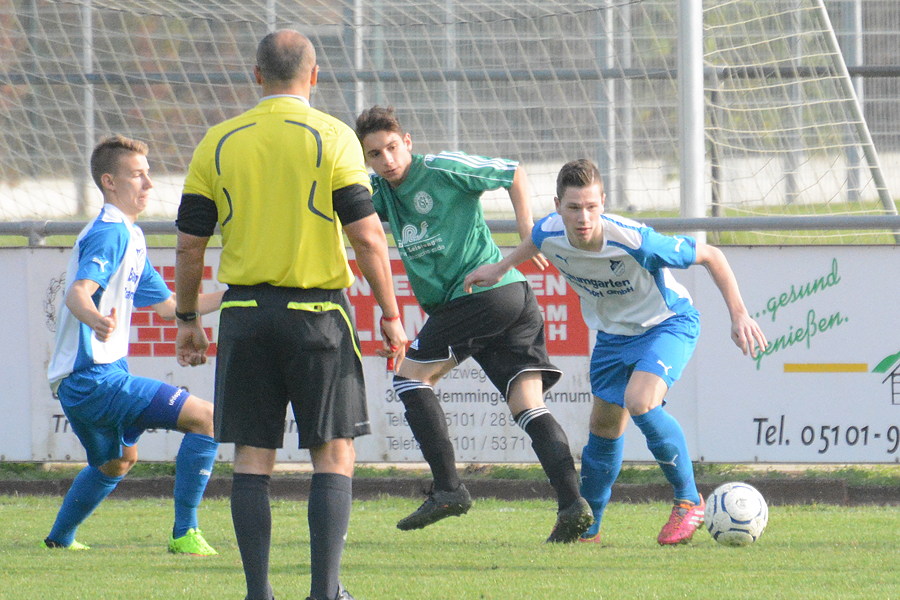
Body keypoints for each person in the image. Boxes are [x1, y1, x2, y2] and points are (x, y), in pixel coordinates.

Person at [174, 31, 406, 600]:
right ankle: (325, 592)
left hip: (245, 315)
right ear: (315, 74)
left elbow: (189, 243)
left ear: (256, 75)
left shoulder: (217, 141)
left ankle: (258, 592)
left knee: (252, 456)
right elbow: (367, 237)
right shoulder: (333, 136)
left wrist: (187, 317)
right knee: (334, 452)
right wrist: (390, 313)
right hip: (317, 315)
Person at [464, 158, 768, 545]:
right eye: (574, 207)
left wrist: (739, 315)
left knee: (640, 401)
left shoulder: (635, 240)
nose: (583, 217)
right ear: (558, 206)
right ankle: (587, 525)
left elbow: (712, 256)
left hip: (666, 324)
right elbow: (536, 240)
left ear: (603, 202)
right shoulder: (549, 231)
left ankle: (689, 500)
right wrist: (500, 267)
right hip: (611, 336)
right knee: (605, 426)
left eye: (592, 206)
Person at [354, 106, 593, 543]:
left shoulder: (441, 167)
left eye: (391, 148)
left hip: (481, 294)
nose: (387, 160)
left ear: (407, 142)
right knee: (527, 405)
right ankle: (572, 504)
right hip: (511, 301)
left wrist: (526, 228)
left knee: (410, 380)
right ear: (366, 159)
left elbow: (512, 171)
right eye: (375, 154)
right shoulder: (380, 192)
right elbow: (349, 214)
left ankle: (449, 490)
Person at [44, 134, 223, 556]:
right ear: (109, 182)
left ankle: (59, 539)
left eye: (148, 174)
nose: (149, 184)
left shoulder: (131, 235)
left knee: (117, 462)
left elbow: (171, 307)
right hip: (92, 377)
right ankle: (184, 533)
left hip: (87, 379)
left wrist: (239, 294)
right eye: (137, 175)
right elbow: (77, 293)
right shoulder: (110, 233)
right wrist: (95, 319)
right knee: (206, 419)